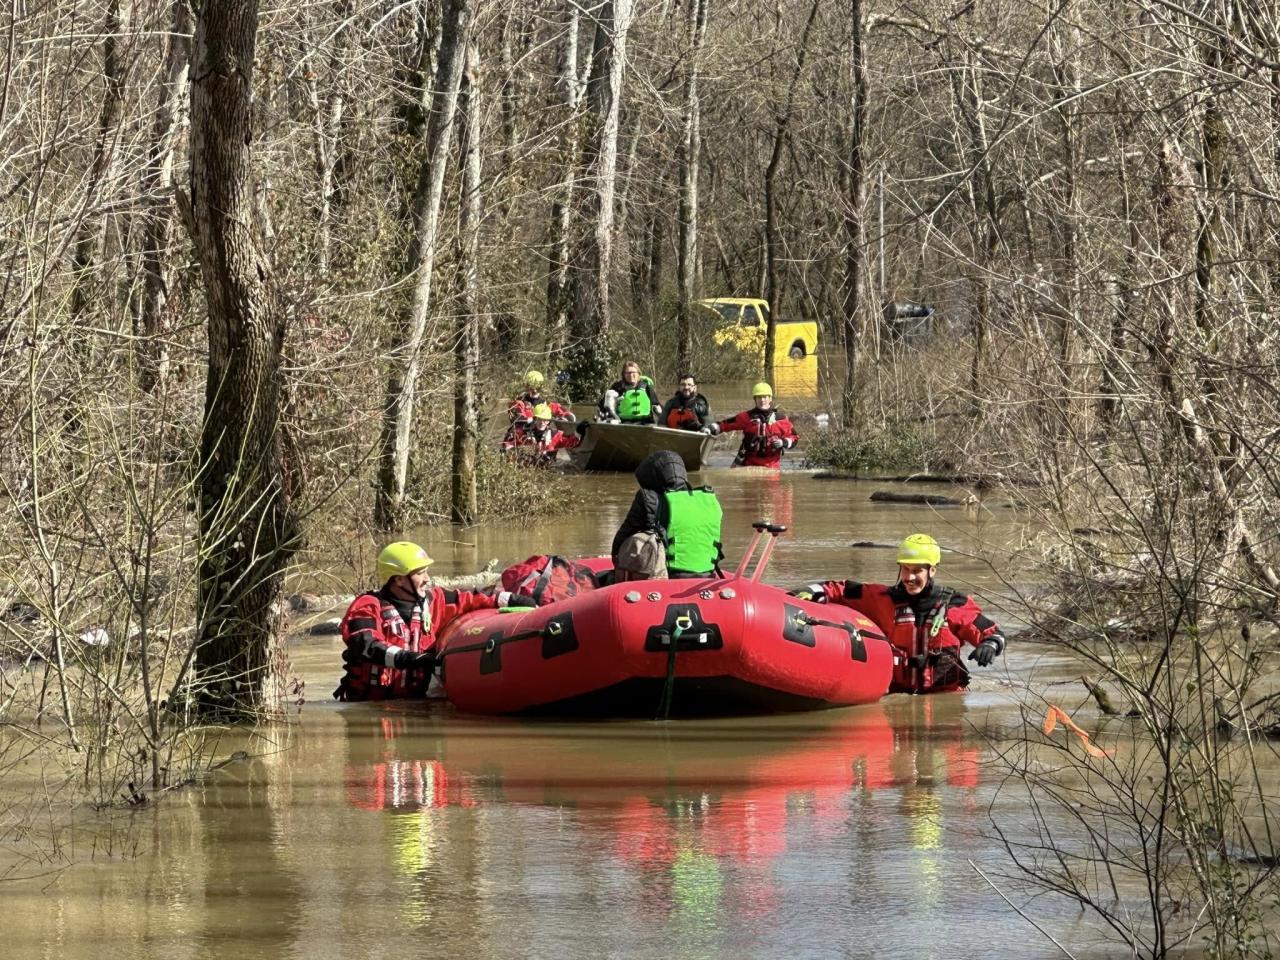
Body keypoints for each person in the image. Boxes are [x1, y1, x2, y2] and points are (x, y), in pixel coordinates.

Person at [789, 534, 1006, 694]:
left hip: (946, 698)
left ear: (932, 570)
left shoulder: (956, 605)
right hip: (898, 694)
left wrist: (989, 646)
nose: (909, 578)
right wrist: (809, 592)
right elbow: (839, 589)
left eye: (917, 571)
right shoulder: (882, 598)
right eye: (905, 570)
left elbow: (996, 635)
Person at [334, 541, 535, 701]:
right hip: (370, 707)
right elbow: (366, 646)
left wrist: (511, 598)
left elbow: (474, 598)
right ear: (398, 579)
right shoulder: (367, 606)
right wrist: (413, 659)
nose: (427, 579)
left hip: (416, 704)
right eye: (420, 573)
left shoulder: (434, 601)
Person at [611, 450, 723, 579]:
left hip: (666, 577)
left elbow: (625, 535)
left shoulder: (648, 498)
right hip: (707, 575)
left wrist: (616, 560)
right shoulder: (707, 498)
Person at [710, 382, 798, 468]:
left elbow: (794, 438)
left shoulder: (781, 419)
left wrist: (784, 442)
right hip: (748, 464)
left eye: (765, 397)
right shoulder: (746, 417)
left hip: (772, 466)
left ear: (770, 398)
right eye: (759, 397)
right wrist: (715, 427)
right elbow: (727, 424)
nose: (762, 400)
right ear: (754, 399)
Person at [501, 402, 581, 464]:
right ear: (535, 419)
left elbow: (571, 443)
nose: (542, 422)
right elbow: (506, 447)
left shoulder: (555, 435)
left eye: (545, 420)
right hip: (526, 467)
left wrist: (579, 431)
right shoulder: (522, 433)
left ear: (549, 421)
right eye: (539, 419)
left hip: (546, 469)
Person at [508, 370, 574, 425]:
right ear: (526, 386)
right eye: (532, 387)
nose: (535, 390)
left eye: (537, 387)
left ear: (542, 386)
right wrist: (538, 419)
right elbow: (518, 419)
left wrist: (565, 417)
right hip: (524, 435)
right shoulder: (518, 403)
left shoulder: (546, 404)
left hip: (543, 436)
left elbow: (568, 415)